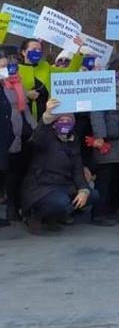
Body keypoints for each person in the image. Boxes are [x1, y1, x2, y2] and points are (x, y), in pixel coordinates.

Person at [21, 99, 97, 234]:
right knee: (61, 202)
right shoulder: (45, 136)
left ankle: (58, 215)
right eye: (61, 120)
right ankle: (36, 215)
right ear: (54, 122)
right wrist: (47, 115)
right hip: (41, 186)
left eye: (69, 120)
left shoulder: (73, 139)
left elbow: (77, 168)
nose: (65, 123)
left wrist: (83, 189)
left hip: (64, 185)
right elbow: (38, 136)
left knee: (93, 195)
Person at [90, 54, 119, 226]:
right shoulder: (104, 86)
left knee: (116, 178)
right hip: (108, 139)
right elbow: (97, 113)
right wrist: (100, 136)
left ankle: (111, 210)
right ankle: (98, 214)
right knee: (104, 179)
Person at [0, 54, 35, 222]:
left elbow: (23, 104)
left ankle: (22, 206)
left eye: (7, 66)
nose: (5, 70)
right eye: (2, 67)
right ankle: (11, 207)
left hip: (24, 130)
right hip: (9, 133)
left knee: (23, 171)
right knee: (10, 173)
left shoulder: (16, 82)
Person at [18, 37, 86, 121]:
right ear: (24, 52)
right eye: (34, 49)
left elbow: (69, 72)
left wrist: (79, 52)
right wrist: (26, 95)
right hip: (23, 118)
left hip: (46, 117)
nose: (37, 52)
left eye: (39, 50)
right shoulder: (14, 70)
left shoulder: (45, 67)